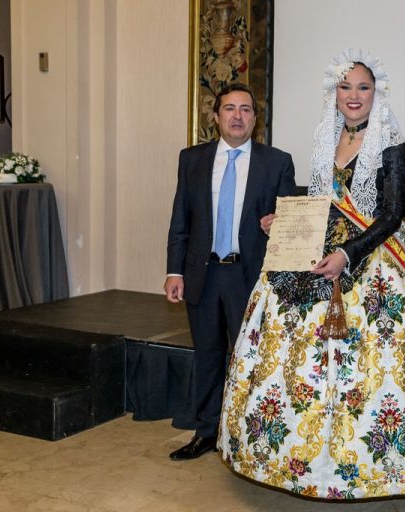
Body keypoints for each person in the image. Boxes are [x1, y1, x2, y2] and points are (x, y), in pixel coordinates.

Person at [218, 49, 405, 499]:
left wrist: (347, 255)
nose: (354, 95)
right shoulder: (325, 136)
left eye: (363, 87)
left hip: (375, 252)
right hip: (324, 244)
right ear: (334, 92)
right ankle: (295, 459)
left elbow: (391, 215)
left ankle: (373, 467)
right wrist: (286, 220)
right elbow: (322, 201)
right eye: (345, 86)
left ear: (376, 93)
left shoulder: (391, 143)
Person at [164, 83, 296, 460]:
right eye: (229, 109)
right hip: (203, 274)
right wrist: (175, 271)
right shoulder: (192, 159)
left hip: (249, 276)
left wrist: (280, 223)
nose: (237, 116)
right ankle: (206, 432)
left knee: (251, 357)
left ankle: (247, 437)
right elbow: (181, 219)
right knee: (207, 356)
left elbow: (292, 222)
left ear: (255, 119)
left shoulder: (277, 162)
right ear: (216, 116)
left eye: (245, 109)